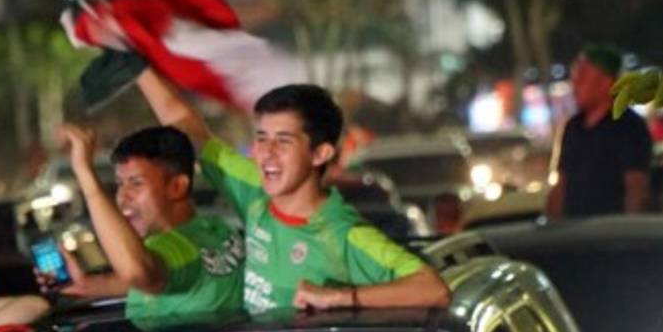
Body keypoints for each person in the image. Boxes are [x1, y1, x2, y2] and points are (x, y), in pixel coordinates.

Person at [131, 68, 450, 314]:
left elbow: (433, 289)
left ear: (320, 153)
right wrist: (135, 66)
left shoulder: (344, 235)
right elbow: (188, 128)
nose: (265, 153)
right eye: (261, 138)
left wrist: (339, 297)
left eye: (283, 141)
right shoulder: (255, 192)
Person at [54, 123, 244, 319]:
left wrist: (85, 173)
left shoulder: (179, 247)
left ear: (177, 186)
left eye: (136, 183)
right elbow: (172, 275)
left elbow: (137, 272)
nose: (122, 197)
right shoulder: (215, 230)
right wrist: (88, 284)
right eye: (120, 184)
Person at [546, 46, 653, 219]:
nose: (574, 85)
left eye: (582, 78)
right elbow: (561, 184)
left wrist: (629, 229)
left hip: (610, 229)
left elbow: (636, 187)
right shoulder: (573, 127)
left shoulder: (629, 127)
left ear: (606, 82)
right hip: (574, 230)